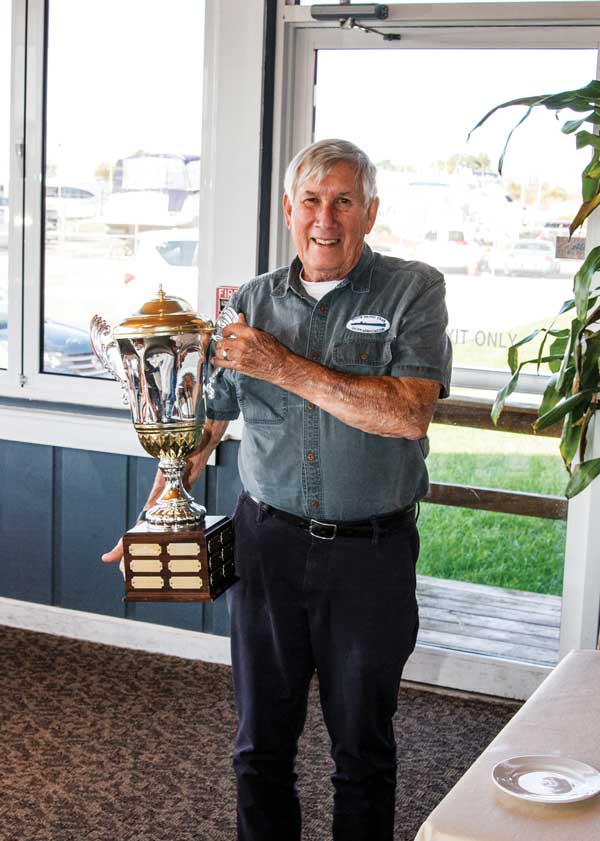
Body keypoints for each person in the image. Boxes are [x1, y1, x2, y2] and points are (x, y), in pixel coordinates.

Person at [102, 138, 452, 841]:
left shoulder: (414, 289)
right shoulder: (252, 301)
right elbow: (209, 416)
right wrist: (158, 513)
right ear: (290, 210)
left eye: (344, 201)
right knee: (259, 747)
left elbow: (407, 412)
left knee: (363, 751)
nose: (327, 219)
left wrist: (284, 366)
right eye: (312, 202)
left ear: (370, 211)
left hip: (370, 559)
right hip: (269, 546)